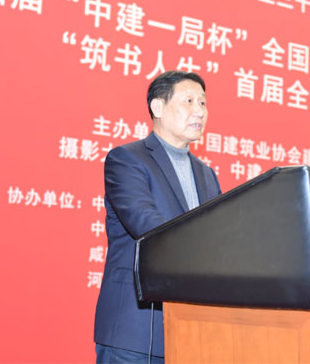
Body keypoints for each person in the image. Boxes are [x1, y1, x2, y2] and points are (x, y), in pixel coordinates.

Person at [94, 71, 221, 363]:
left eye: (202, 103)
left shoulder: (207, 175)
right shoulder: (127, 159)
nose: (199, 111)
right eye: (188, 101)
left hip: (190, 333)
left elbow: (218, 235)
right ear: (157, 107)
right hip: (135, 331)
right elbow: (145, 222)